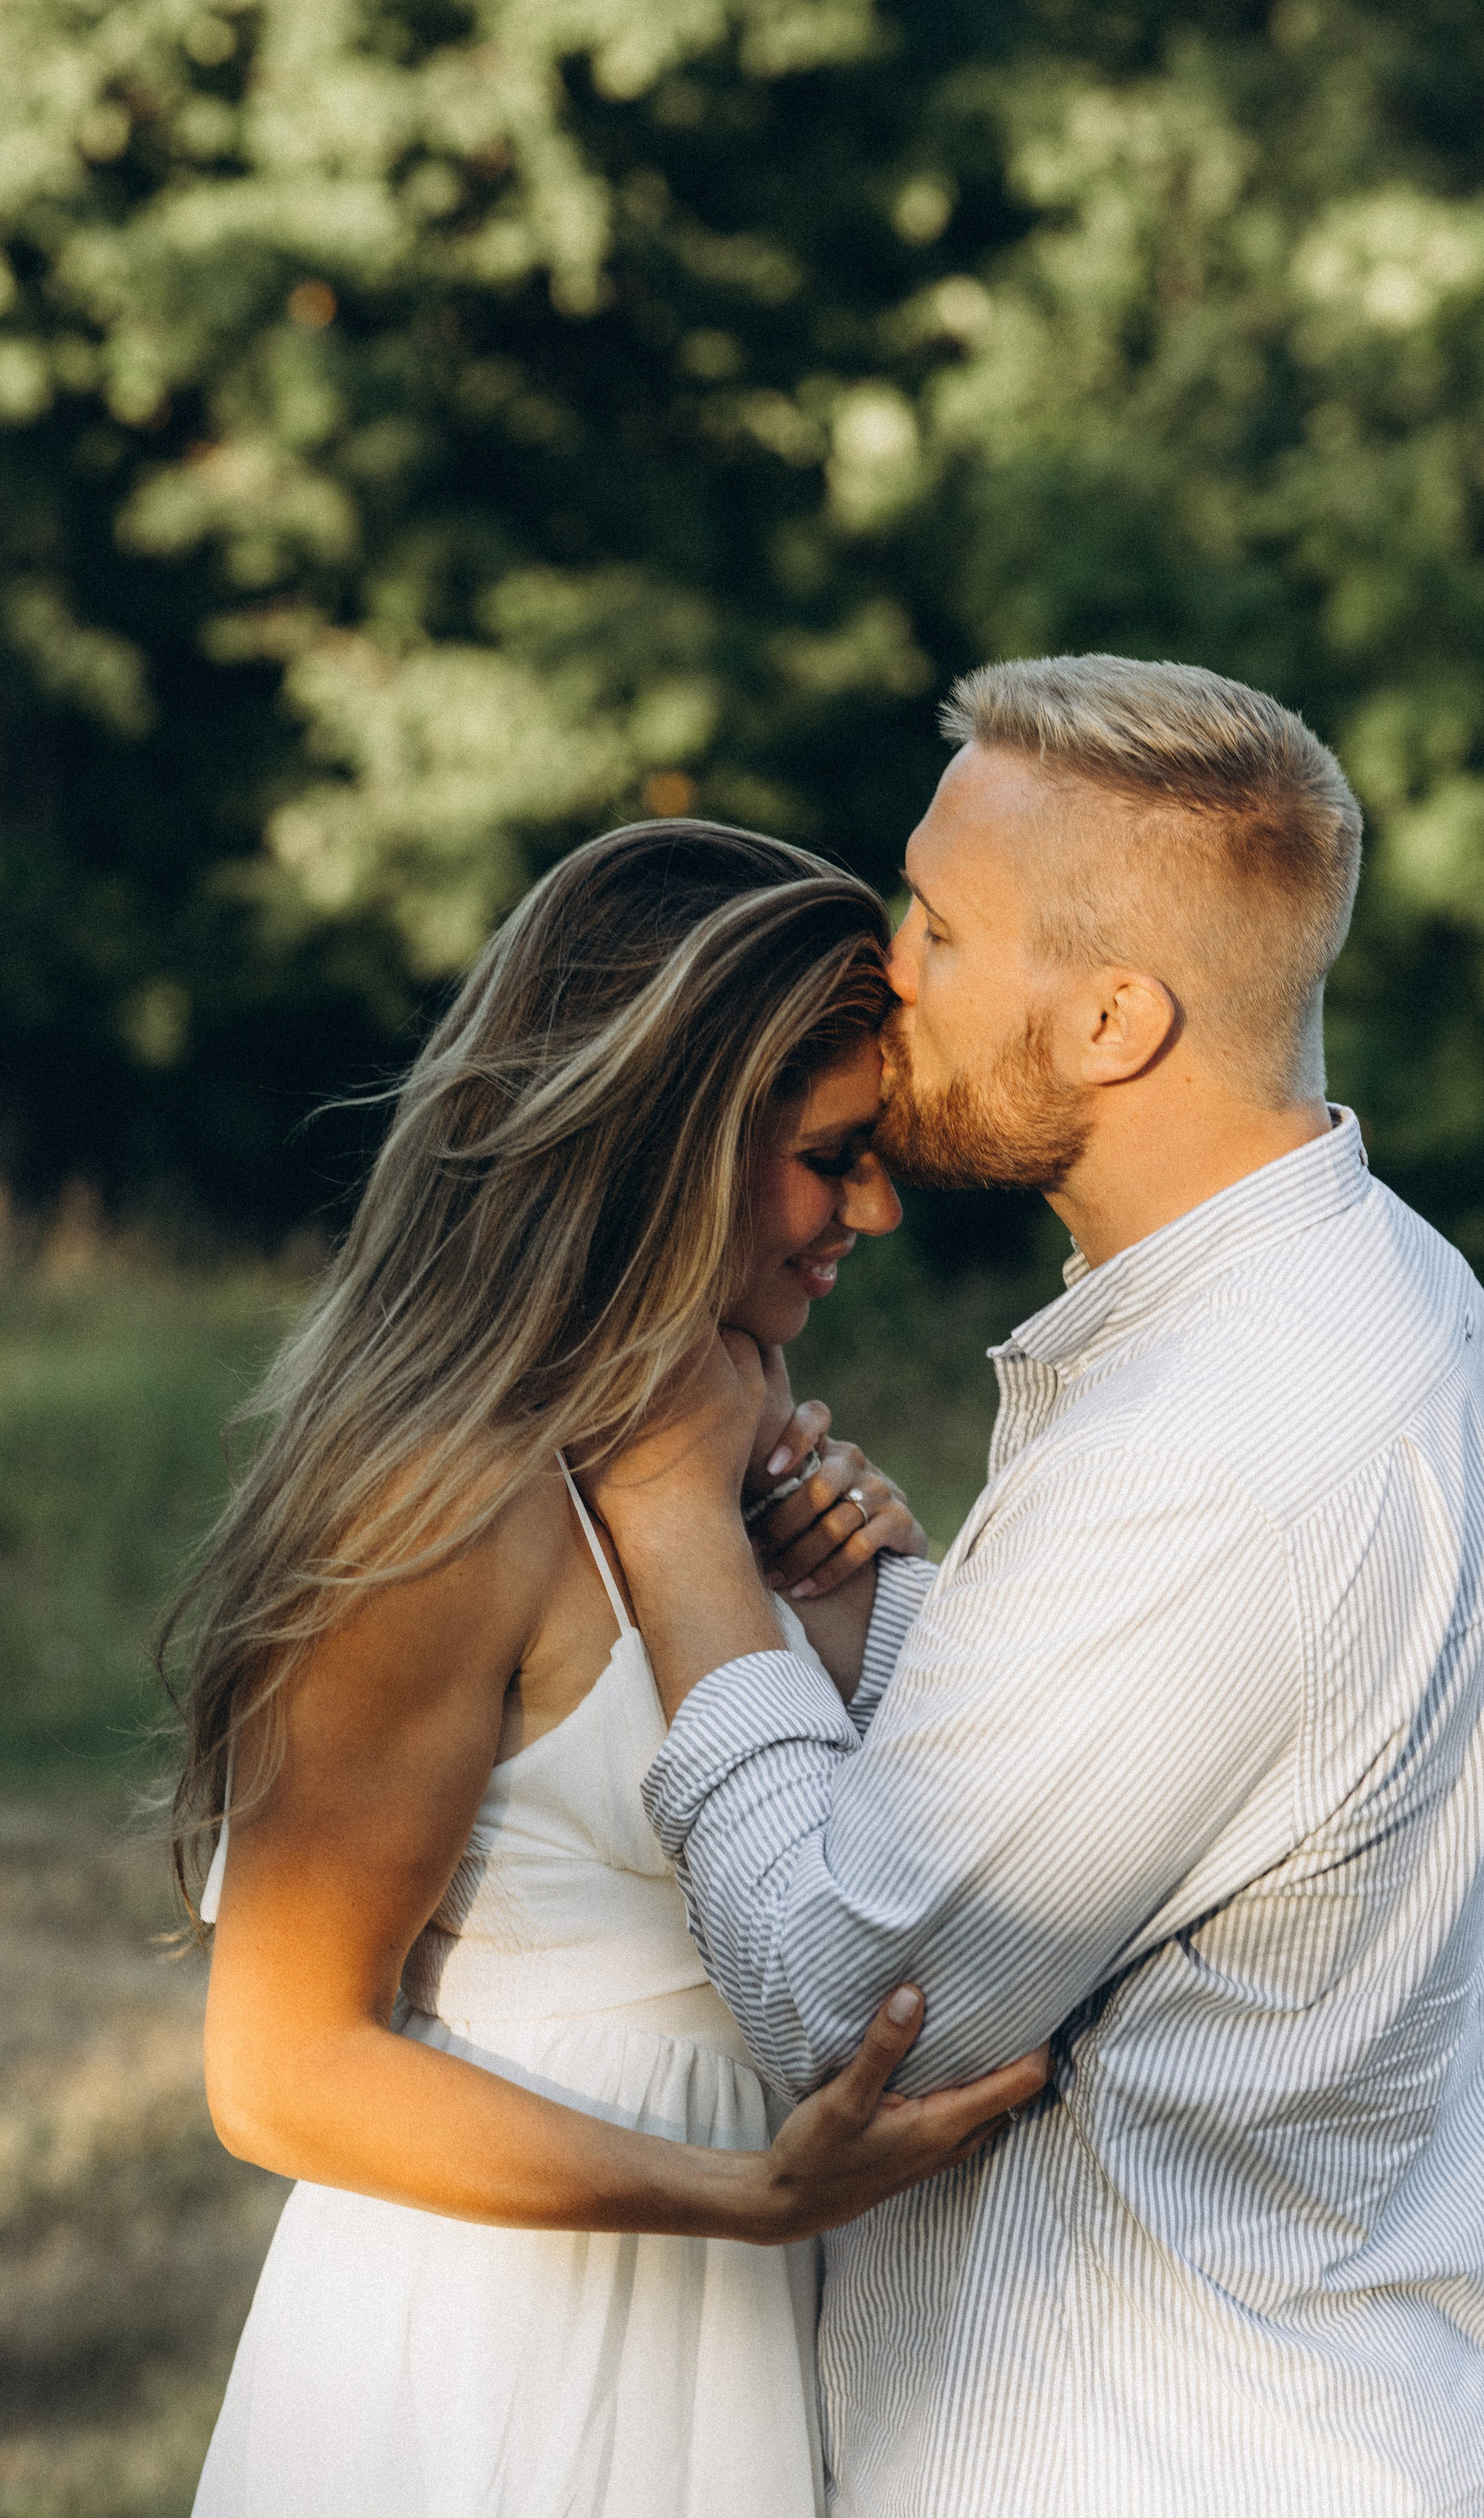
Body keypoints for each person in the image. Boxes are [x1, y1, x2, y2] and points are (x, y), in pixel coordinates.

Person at [594, 655, 1484, 2516]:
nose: (891, 970)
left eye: (943, 933)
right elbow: (1191, 1775)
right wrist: (876, 1629)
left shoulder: (1206, 1451)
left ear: (1115, 1018)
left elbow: (835, 2006)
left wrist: (673, 1531)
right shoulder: (1382, 1285)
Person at [166, 820, 1049, 2518]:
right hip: (502, 2370)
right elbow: (277, 2071)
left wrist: (877, 1618)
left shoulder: (748, 1482)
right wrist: (742, 2198)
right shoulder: (442, 1505)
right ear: (665, 1150)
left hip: (753, 2345)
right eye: (828, 1154)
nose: (872, 1205)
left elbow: (865, 1916)